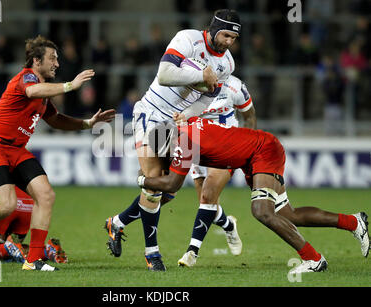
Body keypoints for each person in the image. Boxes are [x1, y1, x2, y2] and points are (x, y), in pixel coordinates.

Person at [0, 35, 116, 271]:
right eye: (52, 58)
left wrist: (87, 124)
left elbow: (56, 119)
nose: (57, 64)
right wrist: (70, 85)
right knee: (7, 205)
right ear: (36, 61)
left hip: (16, 150)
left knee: (46, 195)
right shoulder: (26, 79)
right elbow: (32, 92)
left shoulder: (43, 95)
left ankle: (33, 260)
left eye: (57, 59)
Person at [136, 116, 369, 273]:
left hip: (262, 152)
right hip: (257, 152)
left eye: (163, 152)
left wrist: (143, 180)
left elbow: (174, 184)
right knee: (289, 214)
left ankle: (314, 260)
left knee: (262, 212)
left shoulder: (183, 142)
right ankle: (353, 222)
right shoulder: (188, 127)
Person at [104, 9, 241, 271]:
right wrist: (201, 75)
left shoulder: (228, 64)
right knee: (154, 184)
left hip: (177, 123)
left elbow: (208, 98)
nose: (228, 42)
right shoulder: (187, 40)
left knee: (169, 191)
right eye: (225, 35)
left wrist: (186, 115)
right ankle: (152, 253)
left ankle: (117, 223)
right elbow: (165, 74)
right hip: (151, 113)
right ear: (213, 29)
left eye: (233, 38)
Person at [178, 74, 256, 267]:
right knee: (207, 205)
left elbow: (249, 115)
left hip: (226, 146)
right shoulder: (187, 84)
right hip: (197, 146)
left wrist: (248, 145)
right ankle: (229, 225)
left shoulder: (235, 85)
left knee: (207, 196)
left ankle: (192, 252)